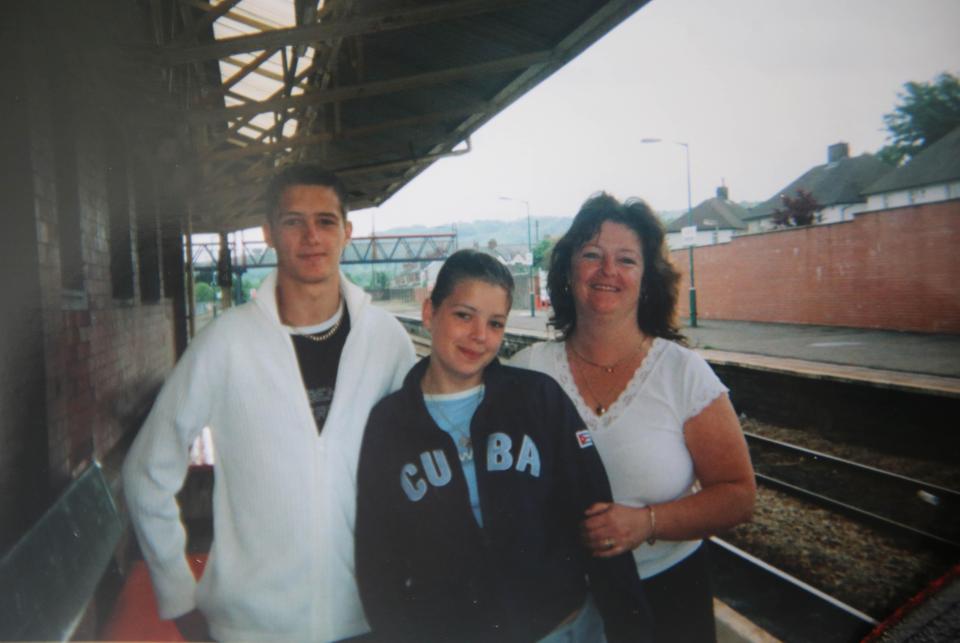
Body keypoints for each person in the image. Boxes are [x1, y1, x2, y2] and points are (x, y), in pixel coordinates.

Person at [122, 164, 416, 642]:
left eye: (325, 221)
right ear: (268, 233)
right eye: (293, 221)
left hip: (367, 617)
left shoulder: (386, 341)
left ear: (347, 231)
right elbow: (145, 472)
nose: (311, 236)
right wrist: (177, 595)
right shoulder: (226, 342)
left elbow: (421, 461)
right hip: (250, 627)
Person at [354, 249, 652, 643]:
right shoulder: (389, 424)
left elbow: (598, 516)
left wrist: (631, 626)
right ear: (430, 313)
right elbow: (377, 559)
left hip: (562, 629)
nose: (479, 336)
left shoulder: (538, 400)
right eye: (464, 315)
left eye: (495, 323)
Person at [512, 192, 756, 642]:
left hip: (667, 600)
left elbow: (739, 495)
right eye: (591, 255)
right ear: (568, 272)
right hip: (557, 605)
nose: (608, 271)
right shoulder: (528, 370)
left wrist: (646, 523)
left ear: (646, 280)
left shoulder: (682, 372)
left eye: (626, 259)